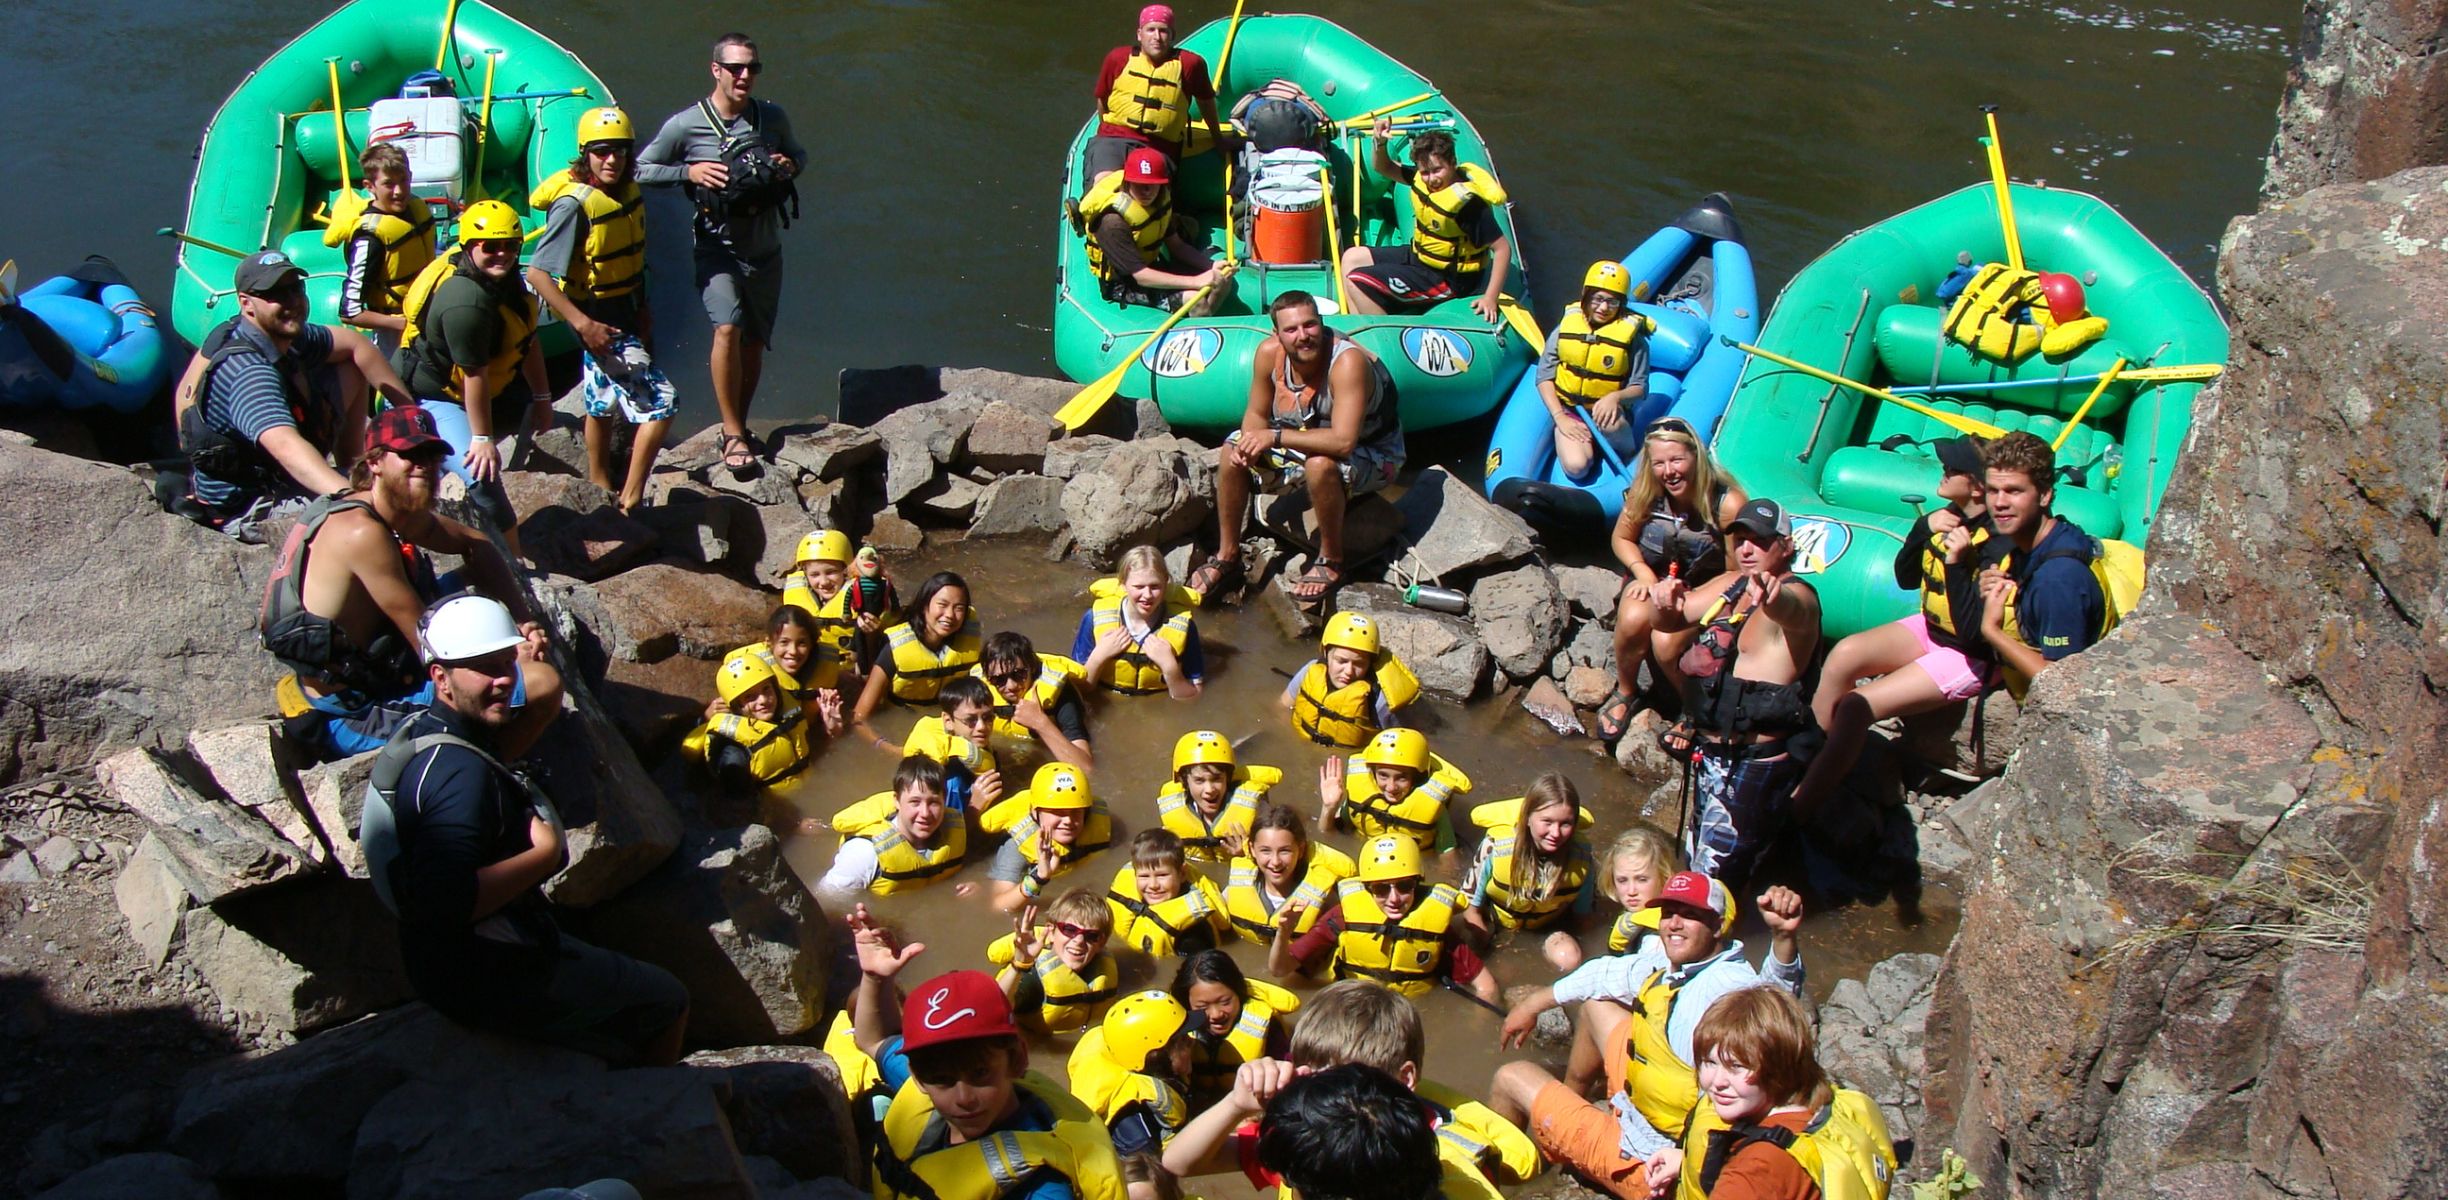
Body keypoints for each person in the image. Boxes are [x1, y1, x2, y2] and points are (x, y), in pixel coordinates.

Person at [361, 594, 688, 1064]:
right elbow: (443, 905)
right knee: (667, 999)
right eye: (483, 669)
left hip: (437, 963)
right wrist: (545, 854)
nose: (502, 680)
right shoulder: (460, 776)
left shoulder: (428, 733)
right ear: (441, 678)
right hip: (482, 979)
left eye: (504, 664)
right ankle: (652, 1109)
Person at [262, 405, 560, 762]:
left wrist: (521, 621)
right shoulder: (361, 533)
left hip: (379, 671)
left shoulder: (382, 509)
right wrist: (507, 655)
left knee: (468, 580)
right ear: (374, 462)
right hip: (355, 715)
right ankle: (485, 774)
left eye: (432, 456)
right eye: (410, 454)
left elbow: (476, 544)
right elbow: (430, 647)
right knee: (543, 683)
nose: (425, 465)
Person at [1485, 872, 1804, 1200]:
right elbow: (1608, 973)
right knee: (1597, 1006)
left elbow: (1772, 1017)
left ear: (1719, 925)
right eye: (1668, 913)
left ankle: (1498, 1185)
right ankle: (1572, 1102)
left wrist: (1782, 940)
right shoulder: (1683, 964)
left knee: (1510, 1077)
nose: (1674, 924)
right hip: (1649, 1094)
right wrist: (1534, 1003)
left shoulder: (1724, 989)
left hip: (1646, 1156)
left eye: (1690, 915)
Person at [846, 909, 1127, 1200]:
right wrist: (875, 979)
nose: (964, 1097)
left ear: (1017, 1059)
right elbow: (874, 1039)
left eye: (980, 1074)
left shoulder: (1043, 1187)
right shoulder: (931, 1078)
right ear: (918, 1078)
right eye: (943, 1080)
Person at [1161, 981, 1533, 1197]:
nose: (1324, 1096)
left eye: (1341, 1081)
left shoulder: (1425, 1168)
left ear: (1403, 1078)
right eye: (1314, 1079)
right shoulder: (1310, 1131)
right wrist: (1235, 1105)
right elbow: (1177, 1162)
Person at [1790, 435, 1996, 824]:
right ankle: (1805, 761)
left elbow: (1974, 631)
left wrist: (1957, 561)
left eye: (1953, 469)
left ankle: (1803, 806)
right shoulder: (1945, 516)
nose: (1943, 471)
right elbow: (1905, 578)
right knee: (1844, 655)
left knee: (1856, 707)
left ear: (1978, 484)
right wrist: (1923, 529)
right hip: (1932, 628)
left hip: (1971, 655)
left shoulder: (1997, 542)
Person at [635, 32, 806, 477]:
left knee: (753, 340)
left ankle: (741, 422)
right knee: (727, 327)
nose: (744, 76)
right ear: (716, 70)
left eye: (752, 67)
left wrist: (789, 165)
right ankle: (731, 432)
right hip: (717, 249)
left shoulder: (771, 117)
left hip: (765, 249)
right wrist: (687, 171)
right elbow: (640, 169)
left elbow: (800, 154)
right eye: (735, 68)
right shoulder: (685, 125)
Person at [174, 250, 411, 540]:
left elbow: (357, 345)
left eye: (295, 289)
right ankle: (348, 484)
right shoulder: (248, 372)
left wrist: (411, 415)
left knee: (349, 365)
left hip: (271, 464)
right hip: (252, 504)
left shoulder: (280, 333)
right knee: (370, 526)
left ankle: (351, 465)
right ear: (246, 304)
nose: (292, 301)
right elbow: (286, 447)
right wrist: (354, 498)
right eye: (275, 294)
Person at [1192, 293, 1407, 605]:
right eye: (1291, 329)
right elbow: (1255, 415)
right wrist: (1250, 443)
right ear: (1277, 335)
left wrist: (1275, 437)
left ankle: (1332, 560)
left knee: (1320, 464)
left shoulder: (1346, 363)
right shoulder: (1268, 355)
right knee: (1231, 450)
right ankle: (1228, 554)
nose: (1303, 336)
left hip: (1374, 453)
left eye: (1310, 325)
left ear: (1321, 324)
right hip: (1303, 439)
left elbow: (1344, 442)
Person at [1651, 499, 1821, 890]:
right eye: (1740, 540)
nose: (1746, 549)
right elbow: (1672, 618)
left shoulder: (1800, 597)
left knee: (1721, 880)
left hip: (1755, 762)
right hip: (1712, 754)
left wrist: (1775, 599)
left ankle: (1731, 940)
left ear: (1787, 545)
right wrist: (1662, 602)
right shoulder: (1731, 587)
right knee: (1696, 859)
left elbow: (1795, 613)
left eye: (1758, 541)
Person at [526, 106, 671, 514]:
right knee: (664, 404)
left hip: (625, 307)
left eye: (621, 151)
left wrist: (642, 306)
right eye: (602, 151)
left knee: (601, 399)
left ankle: (598, 479)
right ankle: (630, 497)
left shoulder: (626, 192)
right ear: (586, 154)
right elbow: (538, 274)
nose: (612, 160)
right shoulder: (574, 206)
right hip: (596, 316)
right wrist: (583, 324)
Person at [392, 198, 551, 552]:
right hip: (432, 395)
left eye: (510, 246)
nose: (502, 255)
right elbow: (473, 377)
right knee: (483, 477)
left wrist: (542, 398)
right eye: (490, 247)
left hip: (472, 387)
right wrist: (482, 439)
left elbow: (527, 339)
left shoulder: (508, 283)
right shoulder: (467, 303)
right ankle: (514, 564)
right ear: (468, 248)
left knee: (485, 461)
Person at [1644, 987, 1900, 1200]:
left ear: (1776, 1066)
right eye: (1709, 1062)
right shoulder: (1826, 1106)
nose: (1717, 1082)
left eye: (1737, 1066)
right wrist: (1686, 1163)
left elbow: (1767, 1180)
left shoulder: (1754, 1173)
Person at [1596, 417, 1749, 742]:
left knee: (1665, 643)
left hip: (1702, 588)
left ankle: (1693, 707)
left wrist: (1694, 597)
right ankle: (1626, 691)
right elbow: (1621, 539)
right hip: (1655, 579)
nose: (1670, 471)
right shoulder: (1646, 494)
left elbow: (1738, 572)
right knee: (1633, 617)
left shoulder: (1726, 504)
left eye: (1677, 459)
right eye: (1660, 463)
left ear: (1696, 456)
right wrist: (1644, 574)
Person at [1270, 835, 1498, 1005]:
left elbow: (1486, 986)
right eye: (1380, 889)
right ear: (1368, 888)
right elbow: (1280, 970)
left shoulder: (1434, 922)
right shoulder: (1343, 916)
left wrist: (1474, 1027)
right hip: (1352, 1004)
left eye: (1404, 886)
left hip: (1411, 1009)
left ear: (1417, 883)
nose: (1394, 898)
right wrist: (1285, 932)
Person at [1974, 430, 2108, 697]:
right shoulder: (2047, 538)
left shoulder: (2057, 580)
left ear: (2045, 495)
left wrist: (1992, 631)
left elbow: (2061, 684)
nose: (1999, 503)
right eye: (1992, 490)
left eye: (2013, 491)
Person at [1341, 128, 1511, 323]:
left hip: (1449, 279)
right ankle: (1357, 326)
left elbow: (1502, 248)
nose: (1432, 179)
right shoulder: (1422, 180)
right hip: (1419, 257)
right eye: (1425, 172)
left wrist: (1490, 297)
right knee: (1351, 258)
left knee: (1357, 281)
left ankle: (1384, 335)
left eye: (1437, 170)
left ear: (1453, 163)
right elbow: (1384, 168)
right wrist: (1380, 144)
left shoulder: (1468, 205)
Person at [1078, 147, 1229, 313]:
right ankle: (1199, 326)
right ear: (1127, 182)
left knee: (1223, 280)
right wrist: (1197, 281)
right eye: (1140, 185)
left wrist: (1211, 265)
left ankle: (1207, 317)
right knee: (1195, 300)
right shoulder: (1112, 223)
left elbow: (1177, 246)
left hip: (1152, 265)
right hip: (1124, 284)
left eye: (1153, 185)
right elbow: (1141, 276)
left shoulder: (1160, 199)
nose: (1147, 192)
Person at [1086, 5, 1227, 179]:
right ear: (1139, 34)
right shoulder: (1118, 58)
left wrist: (1217, 138)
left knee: (1147, 192)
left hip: (1159, 147)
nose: (1157, 37)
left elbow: (1205, 102)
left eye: (1163, 31)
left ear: (1172, 36)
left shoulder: (1191, 64)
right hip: (1114, 139)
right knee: (1104, 182)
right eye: (1150, 30)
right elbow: (1102, 100)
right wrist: (1107, 132)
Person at [1464, 774, 1597, 957]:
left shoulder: (1582, 859)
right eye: (1547, 822)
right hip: (1496, 922)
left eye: (1565, 824)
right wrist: (1488, 949)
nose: (1555, 833)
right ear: (1527, 818)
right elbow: (1471, 911)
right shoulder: (1495, 848)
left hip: (1549, 929)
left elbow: (1583, 918)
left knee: (1569, 957)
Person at [1539, 261, 1650, 480]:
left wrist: (1616, 397)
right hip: (1573, 411)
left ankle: (1626, 455)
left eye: (1612, 302)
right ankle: (1584, 442)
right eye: (1598, 299)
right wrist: (1560, 416)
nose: (1603, 308)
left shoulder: (1635, 341)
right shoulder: (1565, 329)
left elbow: (1641, 388)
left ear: (1621, 304)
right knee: (1576, 468)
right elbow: (1544, 376)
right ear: (1586, 297)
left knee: (1610, 423)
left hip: (1609, 414)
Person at [850, 572, 982, 751]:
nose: (950, 615)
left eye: (959, 608)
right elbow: (858, 719)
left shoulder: (968, 644)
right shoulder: (895, 650)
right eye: (942, 605)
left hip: (947, 726)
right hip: (900, 730)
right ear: (924, 606)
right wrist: (889, 749)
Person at [330, 142, 436, 357]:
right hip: (396, 333)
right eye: (389, 184)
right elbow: (350, 311)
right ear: (370, 186)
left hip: (430, 315)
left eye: (404, 180)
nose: (399, 191)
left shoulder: (415, 209)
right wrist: (399, 324)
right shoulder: (369, 239)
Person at [1067, 990, 1198, 1155]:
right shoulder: (1134, 1130)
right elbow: (1151, 1174)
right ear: (1156, 1056)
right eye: (1184, 1040)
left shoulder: (1142, 1064)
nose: (1193, 1042)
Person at [819, 755, 968, 897]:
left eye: (934, 802)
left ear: (944, 800)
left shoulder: (954, 830)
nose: (925, 813)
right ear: (897, 801)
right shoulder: (865, 852)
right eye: (915, 802)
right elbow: (826, 904)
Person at [1170, 949, 1298, 1106]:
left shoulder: (1267, 1026)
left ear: (1239, 994)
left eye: (1225, 1002)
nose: (1216, 1014)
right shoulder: (1175, 1028)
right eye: (1202, 1007)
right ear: (1187, 1004)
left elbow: (1287, 1077)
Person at [1076, 545, 1205, 698]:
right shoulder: (1094, 619)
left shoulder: (1185, 627)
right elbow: (1079, 690)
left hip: (1157, 709)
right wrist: (1098, 656)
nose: (1147, 595)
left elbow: (1193, 697)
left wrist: (1170, 667)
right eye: (1138, 587)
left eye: (1155, 587)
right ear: (1123, 584)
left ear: (1166, 583)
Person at [1322, 727, 1470, 861]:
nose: (1391, 787)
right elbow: (1328, 834)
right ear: (1373, 774)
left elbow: (1447, 859)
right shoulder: (1361, 794)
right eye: (1383, 776)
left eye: (1402, 777)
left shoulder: (1434, 808)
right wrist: (1329, 807)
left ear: (1417, 778)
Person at [1548, 824, 1680, 973]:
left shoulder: (1657, 941)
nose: (1631, 891)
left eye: (1642, 879)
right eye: (1622, 880)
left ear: (1664, 877)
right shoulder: (1642, 914)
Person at [991, 888, 1124, 1035]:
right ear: (1051, 931)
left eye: (1091, 935)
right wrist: (1020, 965)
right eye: (1069, 929)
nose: (1079, 941)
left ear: (1102, 942)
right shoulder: (1034, 980)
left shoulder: (1104, 970)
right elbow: (992, 1010)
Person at [983, 763, 1114, 912]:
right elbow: (998, 906)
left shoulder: (1098, 826)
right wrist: (1038, 878)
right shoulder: (1016, 848)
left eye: (1076, 812)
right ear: (1035, 812)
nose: (1068, 821)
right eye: (1057, 812)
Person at [1220, 800, 1355, 945]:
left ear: (1301, 850)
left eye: (1285, 851)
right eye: (1265, 850)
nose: (1275, 861)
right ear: (1252, 850)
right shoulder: (1235, 888)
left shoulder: (1326, 899)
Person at [1279, 611, 1421, 748]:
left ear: (1370, 664)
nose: (1348, 672)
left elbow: (1406, 743)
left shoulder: (1380, 701)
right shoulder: (1310, 671)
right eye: (1341, 661)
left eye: (1359, 664)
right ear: (1326, 653)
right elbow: (1281, 708)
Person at [682, 647, 815, 789]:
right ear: (736, 706)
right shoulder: (734, 752)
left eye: (766, 689)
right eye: (750, 697)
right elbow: (736, 801)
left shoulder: (786, 712)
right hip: (777, 805)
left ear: (775, 688)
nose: (763, 700)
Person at [976, 631, 1096, 770]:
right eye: (999, 679)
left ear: (1032, 668)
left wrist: (1040, 722)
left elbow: (1086, 768)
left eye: (1019, 674)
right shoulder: (979, 690)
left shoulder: (1061, 696)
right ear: (988, 678)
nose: (1011, 686)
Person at [1156, 730, 1280, 864]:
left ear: (1228, 778)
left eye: (1216, 779)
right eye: (1199, 780)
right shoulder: (1174, 811)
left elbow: (1276, 857)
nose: (1209, 789)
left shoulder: (1256, 808)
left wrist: (1246, 854)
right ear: (1184, 781)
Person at [782, 530, 895, 673]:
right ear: (805, 575)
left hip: (853, 669)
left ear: (846, 570)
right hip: (813, 670)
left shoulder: (868, 597)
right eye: (814, 574)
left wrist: (873, 633)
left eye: (831, 572)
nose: (823, 582)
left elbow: (884, 646)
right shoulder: (797, 596)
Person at [1105, 829, 1228, 958]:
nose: (1153, 885)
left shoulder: (1192, 933)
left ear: (1182, 874)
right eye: (1144, 876)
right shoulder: (1130, 882)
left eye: (1162, 875)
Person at [895, 676, 1006, 812]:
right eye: (970, 719)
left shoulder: (981, 746)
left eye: (988, 717)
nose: (982, 727)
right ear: (948, 721)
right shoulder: (952, 783)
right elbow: (949, 830)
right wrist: (975, 807)